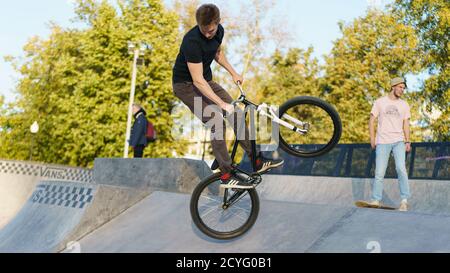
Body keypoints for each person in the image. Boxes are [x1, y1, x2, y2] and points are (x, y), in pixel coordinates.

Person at [172, 4, 283, 189]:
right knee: (216, 119)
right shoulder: (191, 41)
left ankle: (256, 160)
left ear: (218, 23)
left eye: (211, 30)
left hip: (206, 82)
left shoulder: (219, 31)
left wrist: (233, 73)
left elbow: (217, 52)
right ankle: (225, 172)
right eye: (204, 31)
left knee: (237, 113)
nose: (208, 34)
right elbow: (197, 81)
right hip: (186, 86)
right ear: (199, 25)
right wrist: (222, 104)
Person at [368, 77, 412, 211]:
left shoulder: (404, 105)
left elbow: (406, 124)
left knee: (401, 169)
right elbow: (371, 121)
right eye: (400, 87)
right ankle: (376, 200)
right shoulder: (380, 102)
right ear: (393, 87)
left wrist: (408, 140)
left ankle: (404, 201)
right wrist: (372, 139)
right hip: (382, 141)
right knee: (380, 172)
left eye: (403, 88)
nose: (402, 90)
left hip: (398, 141)